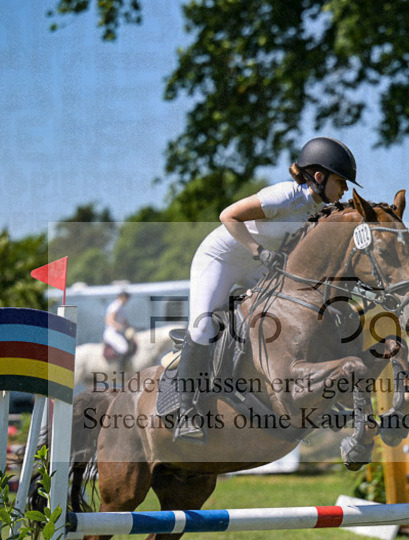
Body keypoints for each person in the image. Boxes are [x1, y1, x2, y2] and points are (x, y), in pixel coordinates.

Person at [175, 137, 361, 443]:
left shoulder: (319, 211)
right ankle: (186, 412)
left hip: (260, 264)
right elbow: (228, 215)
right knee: (203, 326)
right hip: (222, 259)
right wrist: (258, 251)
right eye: (341, 182)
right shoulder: (285, 195)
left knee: (291, 320)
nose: (344, 190)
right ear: (319, 176)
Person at [103, 291, 133, 359]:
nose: (127, 302)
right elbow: (109, 321)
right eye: (127, 299)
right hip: (112, 333)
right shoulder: (115, 306)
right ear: (123, 298)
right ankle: (119, 365)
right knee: (124, 348)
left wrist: (130, 328)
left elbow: (125, 322)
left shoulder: (120, 308)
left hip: (119, 333)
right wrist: (120, 327)